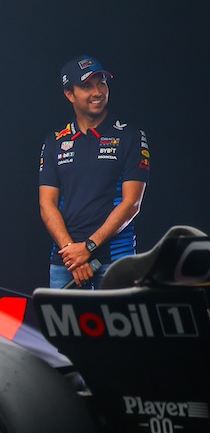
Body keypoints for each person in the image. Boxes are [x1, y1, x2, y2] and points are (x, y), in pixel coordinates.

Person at [39, 55, 150, 289]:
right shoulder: (54, 141)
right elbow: (46, 204)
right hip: (66, 263)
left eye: (101, 83)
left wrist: (88, 247)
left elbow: (131, 204)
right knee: (61, 327)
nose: (97, 92)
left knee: (118, 327)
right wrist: (73, 253)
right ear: (70, 94)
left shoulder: (129, 136)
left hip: (115, 262)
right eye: (87, 86)